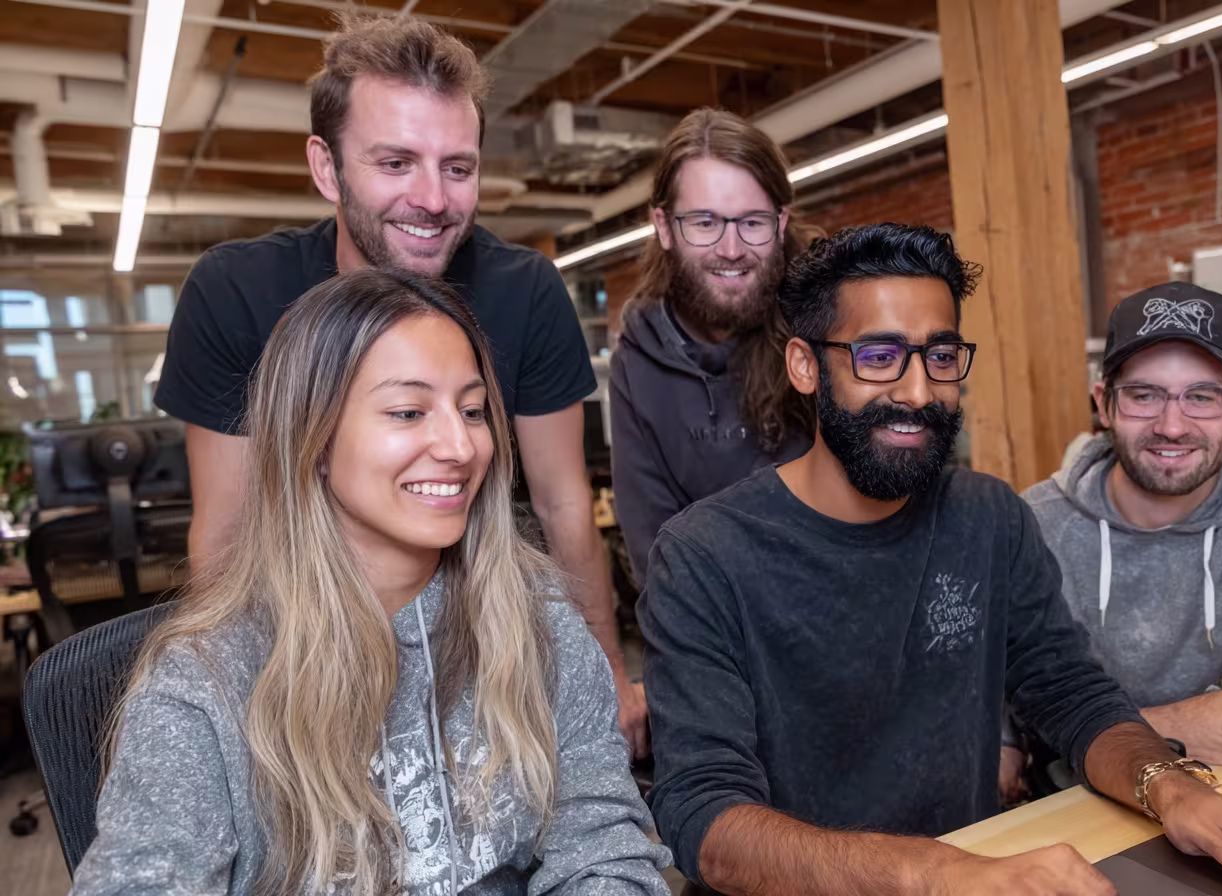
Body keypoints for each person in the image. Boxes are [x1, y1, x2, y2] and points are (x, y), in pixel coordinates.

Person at [638, 225, 1222, 896]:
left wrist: (1168, 788)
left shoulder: (988, 517)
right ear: (805, 365)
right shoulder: (704, 554)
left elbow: (1071, 694)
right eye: (878, 356)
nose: (918, 392)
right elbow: (704, 819)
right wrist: (933, 873)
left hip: (980, 871)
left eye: (940, 356)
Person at [73, 270, 671, 896]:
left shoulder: (540, 622)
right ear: (316, 439)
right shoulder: (205, 680)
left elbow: (603, 850)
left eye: (472, 411)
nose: (461, 446)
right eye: (408, 411)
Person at [153, 14, 648, 755]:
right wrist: (233, 711)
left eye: (458, 167)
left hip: (484, 648)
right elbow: (226, 532)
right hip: (304, 656)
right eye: (395, 164)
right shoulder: (237, 291)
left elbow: (562, 502)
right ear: (327, 168)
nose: (434, 200)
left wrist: (606, 666)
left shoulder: (526, 292)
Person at [1013, 284, 1222, 783]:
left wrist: (1081, 738)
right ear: (1104, 403)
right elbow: (994, 711)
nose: (1172, 426)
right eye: (1143, 395)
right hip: (1068, 816)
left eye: (1201, 396)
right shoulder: (1031, 521)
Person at [609, 109, 818, 587]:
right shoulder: (638, 364)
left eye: (752, 222)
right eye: (704, 222)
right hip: (711, 638)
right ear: (663, 227)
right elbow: (655, 550)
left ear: (781, 222)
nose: (730, 248)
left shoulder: (827, 327)